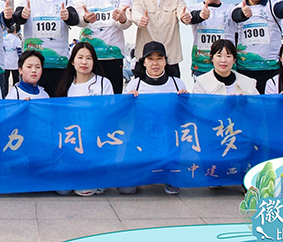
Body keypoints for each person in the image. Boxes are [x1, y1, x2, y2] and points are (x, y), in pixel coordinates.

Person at [121, 41, 186, 195]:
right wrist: (127, 101)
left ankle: (170, 175)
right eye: (150, 59)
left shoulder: (177, 84)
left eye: (159, 58)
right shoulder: (134, 85)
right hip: (141, 139)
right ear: (144, 62)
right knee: (126, 189)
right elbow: (124, 116)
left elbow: (185, 115)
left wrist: (186, 100)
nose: (155, 63)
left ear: (165, 61)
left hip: (168, 140)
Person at [12, 0, 80, 97]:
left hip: (59, 67)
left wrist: (68, 16)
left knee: (58, 104)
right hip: (34, 68)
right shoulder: (27, 0)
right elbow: (16, 18)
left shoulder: (64, 1)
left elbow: (75, 19)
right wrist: (22, 15)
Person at [55, 41, 111, 197]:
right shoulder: (66, 85)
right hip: (72, 141)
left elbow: (109, 113)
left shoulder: (103, 83)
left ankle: (94, 177)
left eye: (89, 58)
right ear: (73, 61)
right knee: (62, 190)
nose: (84, 62)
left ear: (94, 61)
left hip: (95, 138)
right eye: (80, 57)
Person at [75, 0, 132, 94]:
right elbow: (78, 20)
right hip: (89, 57)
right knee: (87, 95)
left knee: (113, 97)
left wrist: (122, 18)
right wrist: (85, 19)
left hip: (113, 57)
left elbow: (126, 23)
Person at [129, 0, 190, 78]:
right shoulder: (139, 1)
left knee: (173, 89)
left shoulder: (176, 0)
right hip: (145, 60)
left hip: (170, 60)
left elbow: (183, 12)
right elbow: (135, 13)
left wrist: (185, 17)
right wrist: (140, 19)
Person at [185, 0, 237, 78]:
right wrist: (201, 16)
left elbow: (238, 15)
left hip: (227, 67)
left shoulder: (230, 9)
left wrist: (244, 14)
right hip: (201, 67)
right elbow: (192, 18)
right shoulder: (194, 8)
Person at [192, 39, 259, 95]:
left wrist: (244, 103)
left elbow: (257, 104)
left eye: (228, 56)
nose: (223, 60)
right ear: (212, 58)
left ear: (234, 59)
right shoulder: (201, 84)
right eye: (219, 56)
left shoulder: (248, 83)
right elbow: (197, 105)